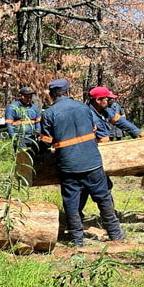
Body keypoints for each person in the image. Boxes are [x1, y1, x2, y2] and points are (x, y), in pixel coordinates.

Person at [39, 79, 124, 247]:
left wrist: (39, 150)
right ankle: (115, 234)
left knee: (71, 202)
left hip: (68, 166)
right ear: (68, 92)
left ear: (51, 95)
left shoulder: (49, 114)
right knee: (103, 197)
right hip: (92, 161)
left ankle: (77, 240)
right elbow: (94, 129)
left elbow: (45, 142)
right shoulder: (84, 108)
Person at [77, 86, 144, 219]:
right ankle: (107, 216)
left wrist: (139, 133)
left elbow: (121, 122)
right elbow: (102, 139)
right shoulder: (89, 114)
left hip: (97, 154)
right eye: (107, 99)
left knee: (92, 186)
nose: (110, 101)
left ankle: (84, 215)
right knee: (97, 185)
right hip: (88, 156)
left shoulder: (105, 111)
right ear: (98, 100)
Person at [5, 86, 41, 151]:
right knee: (21, 157)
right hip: (19, 138)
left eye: (30, 97)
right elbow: (9, 125)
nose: (29, 99)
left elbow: (38, 122)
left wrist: (38, 131)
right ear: (21, 96)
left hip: (32, 138)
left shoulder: (35, 108)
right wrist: (13, 137)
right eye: (26, 96)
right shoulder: (12, 107)